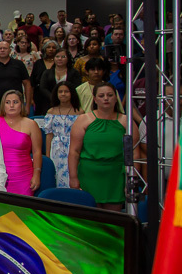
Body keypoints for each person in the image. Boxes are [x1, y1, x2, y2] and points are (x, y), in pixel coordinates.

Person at [69, 82, 138, 210]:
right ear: (95, 99)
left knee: (113, 220)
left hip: (116, 176)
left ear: (115, 98)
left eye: (110, 95)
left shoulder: (126, 121)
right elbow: (74, 151)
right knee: (90, 218)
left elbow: (134, 152)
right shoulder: (83, 120)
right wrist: (73, 177)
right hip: (89, 175)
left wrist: (131, 179)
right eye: (101, 95)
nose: (106, 98)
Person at [0, 90, 42, 195]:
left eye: (15, 102)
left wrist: (37, 174)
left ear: (22, 104)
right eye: (8, 102)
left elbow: (37, 152)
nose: (11, 105)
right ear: (3, 104)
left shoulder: (31, 124)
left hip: (23, 178)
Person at [44, 82, 82, 188]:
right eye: (60, 92)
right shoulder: (51, 112)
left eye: (66, 91)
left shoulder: (79, 112)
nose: (63, 94)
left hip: (73, 146)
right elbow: (49, 134)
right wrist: (47, 155)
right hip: (56, 147)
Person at [29, 40, 58, 113]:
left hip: (55, 93)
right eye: (48, 47)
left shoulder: (59, 64)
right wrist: (31, 98)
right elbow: (32, 82)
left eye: (53, 47)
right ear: (45, 49)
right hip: (39, 95)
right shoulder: (38, 63)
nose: (51, 49)